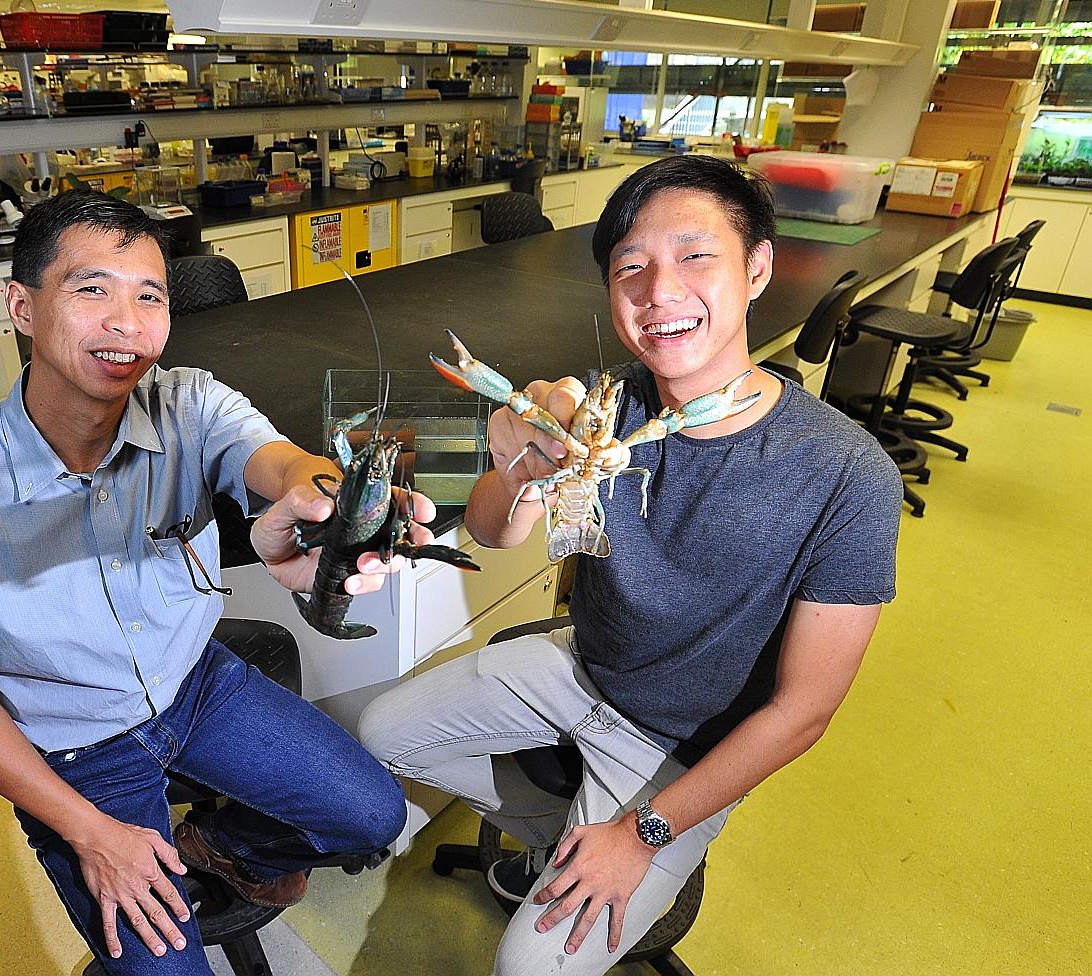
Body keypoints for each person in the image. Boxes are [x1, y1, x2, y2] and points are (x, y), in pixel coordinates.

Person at [359, 154, 903, 974]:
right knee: (379, 732)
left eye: (695, 256)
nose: (660, 291)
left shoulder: (849, 476)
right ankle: (576, 836)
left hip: (684, 747)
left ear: (757, 269)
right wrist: (519, 466)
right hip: (583, 664)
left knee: (524, 967)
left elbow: (803, 713)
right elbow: (496, 536)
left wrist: (645, 830)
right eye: (631, 269)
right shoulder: (605, 406)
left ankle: (652, 841)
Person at [0, 191, 420, 975]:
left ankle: (216, 848)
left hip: (195, 684)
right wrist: (93, 834)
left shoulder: (188, 402)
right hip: (72, 749)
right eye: (92, 290)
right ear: (22, 305)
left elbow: (283, 461)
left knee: (374, 812)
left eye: (149, 295)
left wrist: (330, 500)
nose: (127, 322)